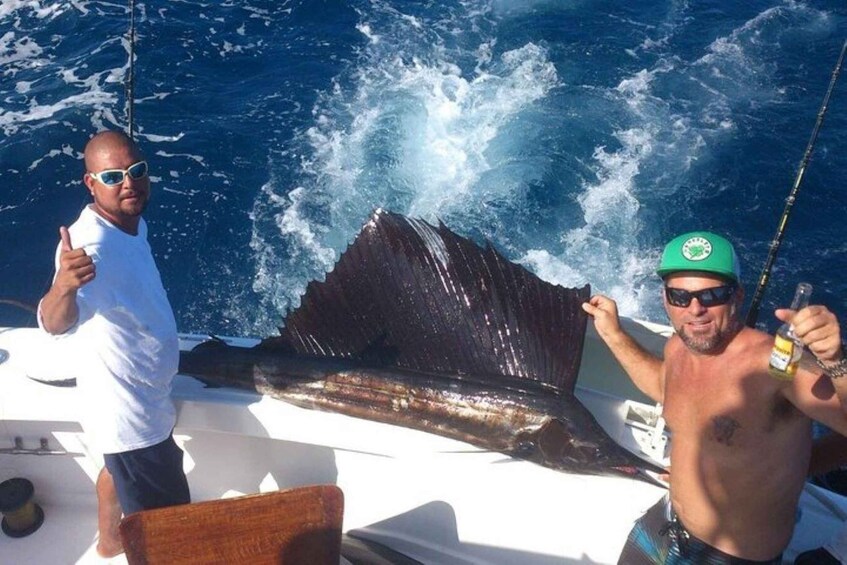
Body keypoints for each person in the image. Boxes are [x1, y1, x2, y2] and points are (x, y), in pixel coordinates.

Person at [582, 231, 847, 564]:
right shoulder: (678, 347)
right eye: (680, 296)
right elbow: (664, 388)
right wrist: (613, 333)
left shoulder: (779, 368)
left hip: (733, 556)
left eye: (713, 295)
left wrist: (836, 362)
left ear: (736, 296)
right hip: (666, 524)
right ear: (665, 299)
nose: (695, 310)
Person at [38, 130, 190, 557]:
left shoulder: (128, 222)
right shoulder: (93, 249)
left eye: (136, 171)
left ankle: (107, 542)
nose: (129, 183)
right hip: (132, 416)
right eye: (112, 176)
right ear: (91, 183)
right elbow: (53, 323)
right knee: (167, 531)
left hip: (139, 395)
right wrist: (64, 288)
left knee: (116, 469)